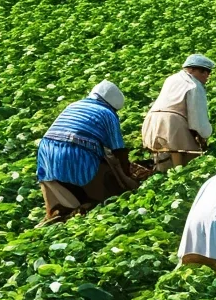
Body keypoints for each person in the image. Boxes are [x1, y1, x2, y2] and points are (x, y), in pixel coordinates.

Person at [36, 81, 143, 224]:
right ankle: (86, 204)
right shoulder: (108, 114)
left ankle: (55, 211)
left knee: (58, 181)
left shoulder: (74, 105)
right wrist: (127, 177)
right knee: (101, 186)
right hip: (75, 151)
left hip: (46, 150)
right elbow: (118, 151)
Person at [142, 54, 216, 172]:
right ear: (190, 69)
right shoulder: (194, 85)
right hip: (172, 124)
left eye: (208, 72)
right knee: (187, 162)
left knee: (162, 158)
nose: (206, 75)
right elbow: (197, 117)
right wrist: (204, 135)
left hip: (151, 121)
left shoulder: (172, 79)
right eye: (203, 71)